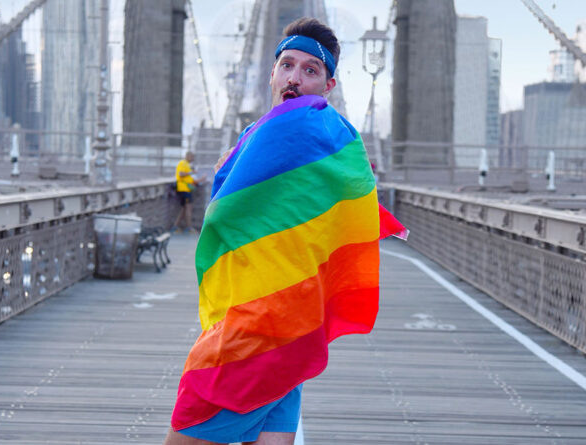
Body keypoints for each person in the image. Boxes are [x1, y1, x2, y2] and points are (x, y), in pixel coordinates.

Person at [164, 17, 405, 445]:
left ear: (328, 86)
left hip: (254, 326)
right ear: (273, 73)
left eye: (310, 70)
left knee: (187, 427)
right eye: (287, 65)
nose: (295, 77)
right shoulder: (260, 134)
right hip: (290, 320)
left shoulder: (313, 130)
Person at [173, 150, 202, 234]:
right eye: (192, 157)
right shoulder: (183, 163)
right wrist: (191, 172)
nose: (193, 159)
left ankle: (175, 226)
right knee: (188, 208)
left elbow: (188, 178)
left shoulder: (187, 164)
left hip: (186, 189)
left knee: (184, 208)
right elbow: (181, 174)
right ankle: (189, 228)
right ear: (188, 156)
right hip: (183, 189)